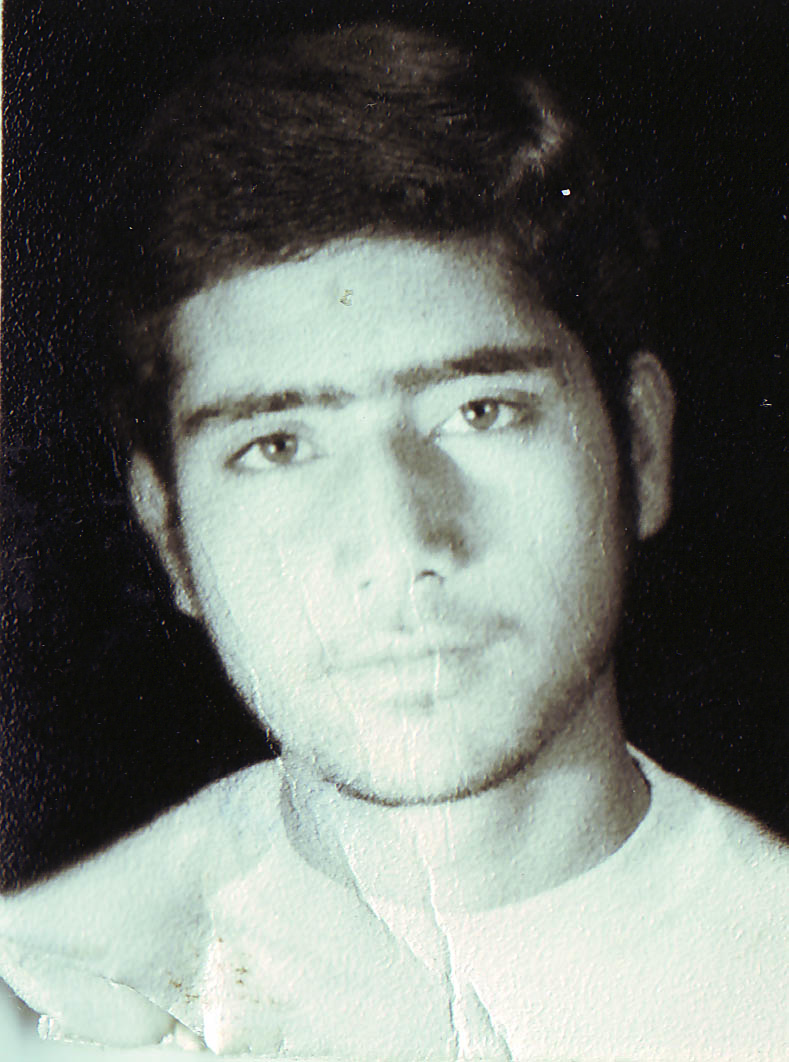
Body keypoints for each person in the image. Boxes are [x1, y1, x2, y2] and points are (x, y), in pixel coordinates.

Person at [0, 21, 785, 1060]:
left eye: (480, 412)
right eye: (278, 446)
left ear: (639, 446)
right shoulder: (33, 996)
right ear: (170, 533)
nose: (400, 546)